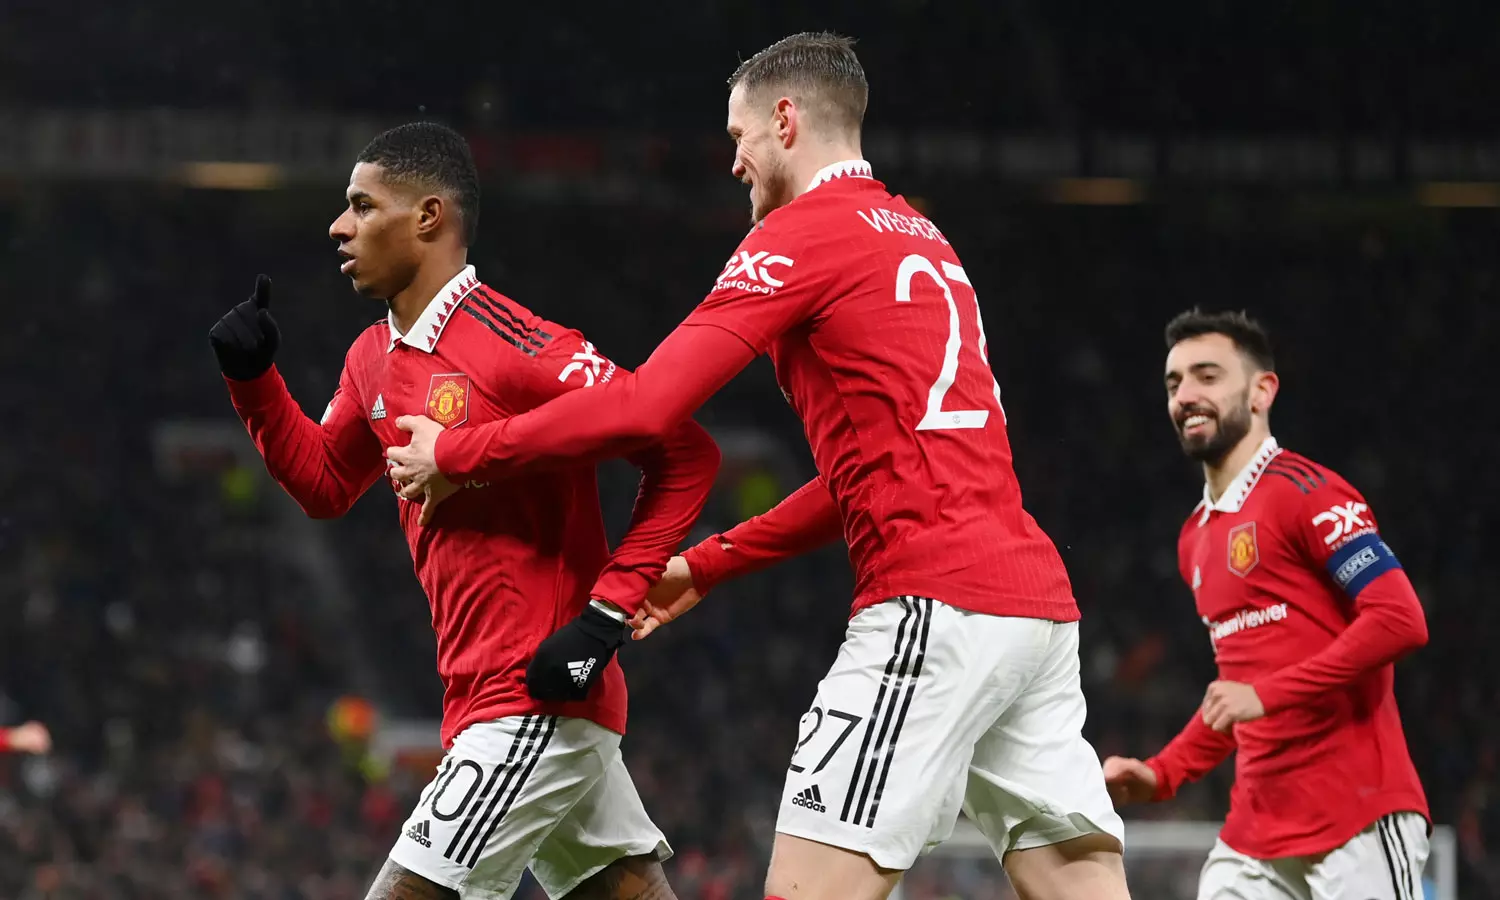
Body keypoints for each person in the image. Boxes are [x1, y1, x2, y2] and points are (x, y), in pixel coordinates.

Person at [387, 34, 1129, 900]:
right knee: (1077, 884)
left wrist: (459, 451)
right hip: (1035, 613)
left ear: (785, 120)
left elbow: (646, 406)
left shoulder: (801, 235)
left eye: (739, 136)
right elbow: (863, 476)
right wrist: (707, 565)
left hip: (933, 608)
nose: (734, 161)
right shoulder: (925, 238)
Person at [209, 122, 720, 900]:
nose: (339, 226)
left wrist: (606, 614)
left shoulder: (519, 343)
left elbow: (683, 452)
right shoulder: (370, 358)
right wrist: (256, 385)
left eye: (362, 205)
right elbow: (325, 484)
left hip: (533, 695)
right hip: (487, 695)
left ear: (428, 216)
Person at [1101, 309, 1430, 900]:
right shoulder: (1194, 537)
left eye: (1207, 376)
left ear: (1262, 391)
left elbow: (1399, 620)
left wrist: (1266, 694)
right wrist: (1162, 772)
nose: (1186, 395)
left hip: (1356, 820)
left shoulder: (1310, 493)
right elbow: (1236, 691)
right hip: (1254, 837)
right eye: (1175, 382)